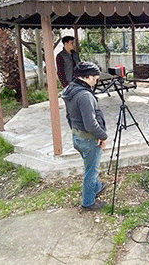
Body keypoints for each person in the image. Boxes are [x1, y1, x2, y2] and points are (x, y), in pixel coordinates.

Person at [62, 62, 108, 210]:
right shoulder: (84, 95)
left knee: (90, 166)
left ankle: (96, 187)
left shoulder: (70, 90)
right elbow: (90, 124)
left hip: (77, 136)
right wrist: (103, 136)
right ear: (87, 77)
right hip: (88, 139)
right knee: (91, 171)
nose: (96, 82)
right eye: (95, 78)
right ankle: (88, 202)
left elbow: (69, 116)